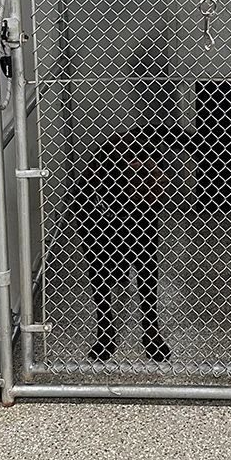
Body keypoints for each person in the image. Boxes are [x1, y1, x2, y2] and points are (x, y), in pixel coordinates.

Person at [72, 126, 177, 363]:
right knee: (101, 272)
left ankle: (151, 331)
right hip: (102, 221)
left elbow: (154, 192)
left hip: (138, 216)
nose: (156, 174)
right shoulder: (93, 184)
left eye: (152, 161)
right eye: (138, 164)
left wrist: (145, 194)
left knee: (146, 269)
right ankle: (105, 331)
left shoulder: (147, 204)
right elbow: (81, 207)